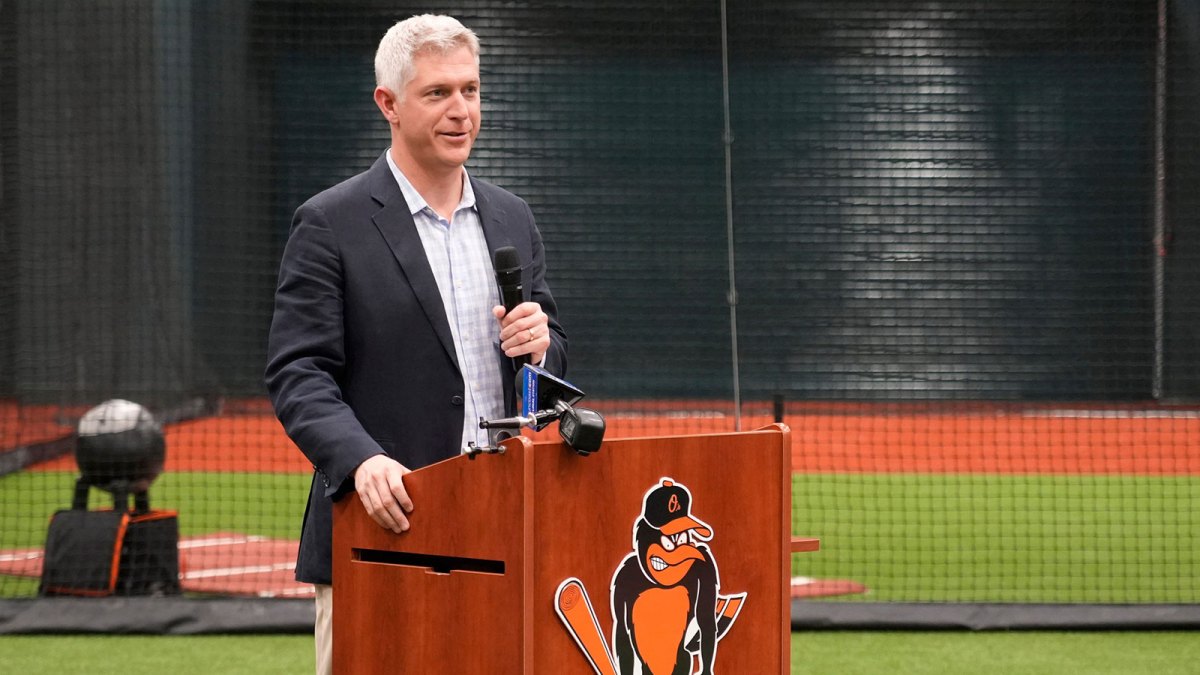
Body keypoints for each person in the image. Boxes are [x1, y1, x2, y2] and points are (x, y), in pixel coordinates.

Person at [264, 14, 567, 674]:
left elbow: (553, 368)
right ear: (389, 104)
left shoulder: (512, 215)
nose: (462, 111)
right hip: (382, 529)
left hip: (500, 529)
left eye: (471, 90)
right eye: (438, 93)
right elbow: (298, 372)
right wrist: (361, 460)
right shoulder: (329, 223)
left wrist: (541, 351)